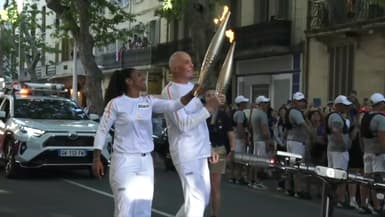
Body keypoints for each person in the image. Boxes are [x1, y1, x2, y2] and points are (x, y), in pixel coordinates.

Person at [92, 68, 203, 217]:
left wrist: (192, 93)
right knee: (125, 209)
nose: (143, 77)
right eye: (139, 75)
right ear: (128, 81)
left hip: (145, 162)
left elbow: (174, 105)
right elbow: (102, 130)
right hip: (124, 161)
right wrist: (96, 158)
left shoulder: (148, 101)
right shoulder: (116, 103)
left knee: (143, 210)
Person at [161, 51, 225, 217]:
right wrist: (209, 107)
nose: (192, 65)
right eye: (187, 62)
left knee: (202, 199)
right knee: (196, 201)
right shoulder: (170, 92)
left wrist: (208, 147)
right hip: (186, 153)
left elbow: (200, 124)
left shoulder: (192, 89)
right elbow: (183, 124)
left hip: (200, 151)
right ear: (175, 68)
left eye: (191, 62)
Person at [205, 90, 235, 217]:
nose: (211, 97)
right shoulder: (200, 114)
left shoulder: (223, 115)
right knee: (200, 186)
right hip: (201, 151)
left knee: (215, 187)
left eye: (213, 95)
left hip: (218, 150)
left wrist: (232, 150)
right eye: (208, 95)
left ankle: (214, 214)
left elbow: (231, 134)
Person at [326, 95, 352, 207]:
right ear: (338, 105)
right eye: (344, 105)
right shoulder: (336, 117)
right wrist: (343, 145)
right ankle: (339, 198)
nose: (346, 107)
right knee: (340, 175)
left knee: (334, 175)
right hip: (338, 151)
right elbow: (336, 132)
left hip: (333, 149)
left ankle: (334, 197)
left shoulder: (335, 116)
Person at [361, 93, 385, 215]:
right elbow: (382, 138)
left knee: (367, 180)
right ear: (380, 104)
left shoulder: (365, 117)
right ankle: (378, 205)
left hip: (367, 151)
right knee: (378, 181)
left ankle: (364, 204)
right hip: (378, 153)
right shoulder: (380, 118)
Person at [285, 92, 312, 199]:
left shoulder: (292, 112)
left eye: (303, 101)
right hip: (297, 142)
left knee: (291, 166)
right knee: (298, 166)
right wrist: (312, 134)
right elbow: (303, 125)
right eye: (300, 101)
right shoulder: (295, 112)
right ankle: (298, 190)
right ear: (295, 102)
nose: (302, 103)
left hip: (292, 140)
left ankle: (289, 188)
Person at [248, 95, 271, 190]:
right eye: (265, 103)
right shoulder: (262, 114)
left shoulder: (253, 113)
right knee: (261, 162)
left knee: (255, 161)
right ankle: (258, 181)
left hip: (255, 139)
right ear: (261, 104)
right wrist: (268, 141)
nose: (267, 105)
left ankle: (252, 180)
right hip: (261, 140)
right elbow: (265, 130)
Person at [230, 95, 250, 184]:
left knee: (235, 158)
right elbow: (240, 126)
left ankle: (233, 176)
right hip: (239, 138)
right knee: (239, 159)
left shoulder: (234, 112)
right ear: (241, 104)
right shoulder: (241, 113)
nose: (246, 104)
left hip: (235, 137)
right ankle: (238, 177)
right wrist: (244, 138)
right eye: (244, 103)